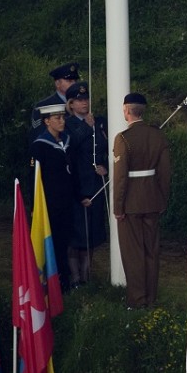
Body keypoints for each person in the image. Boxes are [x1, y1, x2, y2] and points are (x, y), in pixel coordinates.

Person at [112, 92, 171, 309]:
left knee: (133, 252)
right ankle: (151, 296)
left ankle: (137, 300)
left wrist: (118, 207)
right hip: (152, 200)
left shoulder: (123, 138)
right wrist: (162, 199)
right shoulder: (158, 136)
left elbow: (120, 178)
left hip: (131, 203)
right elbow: (165, 173)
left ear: (126, 111)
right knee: (151, 251)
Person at [65, 81, 108, 286]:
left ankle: (87, 273)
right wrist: (85, 127)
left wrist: (105, 166)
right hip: (77, 185)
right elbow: (69, 146)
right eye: (79, 100)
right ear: (71, 104)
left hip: (96, 185)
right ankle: (75, 276)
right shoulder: (68, 123)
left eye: (86, 99)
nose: (84, 103)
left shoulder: (100, 122)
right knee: (76, 234)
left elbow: (108, 147)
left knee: (93, 231)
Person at [30, 103, 75, 291]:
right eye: (57, 118)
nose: (62, 121)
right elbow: (33, 177)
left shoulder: (66, 141)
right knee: (53, 241)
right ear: (47, 121)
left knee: (65, 241)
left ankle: (65, 278)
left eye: (63, 117)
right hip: (49, 201)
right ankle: (54, 281)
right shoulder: (40, 145)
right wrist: (34, 204)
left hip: (67, 200)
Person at [29, 62, 79, 147]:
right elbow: (38, 138)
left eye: (75, 81)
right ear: (57, 84)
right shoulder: (43, 107)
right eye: (69, 81)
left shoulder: (82, 104)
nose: (74, 84)